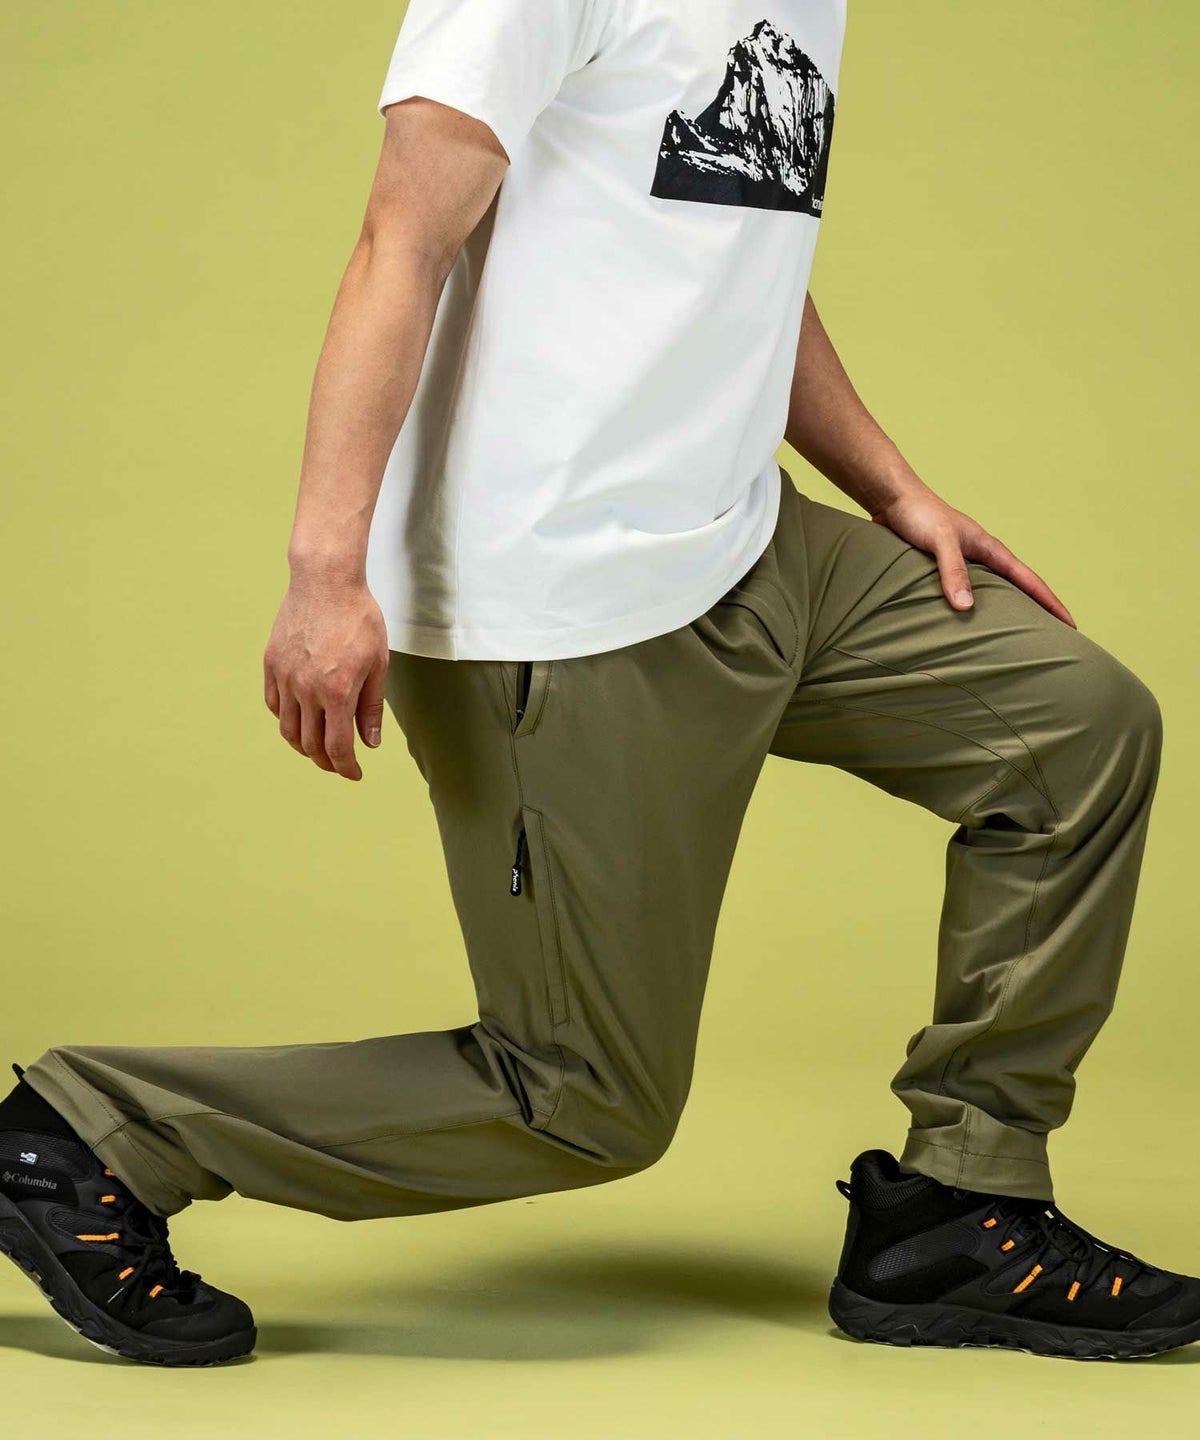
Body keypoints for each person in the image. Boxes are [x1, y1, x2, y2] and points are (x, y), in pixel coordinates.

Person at [2, 0, 1195, 1368]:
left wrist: (892, 487)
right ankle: (94, 1131)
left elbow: (728, 244)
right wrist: (326, 574)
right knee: (582, 1101)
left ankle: (962, 1206)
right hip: (559, 589)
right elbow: (401, 240)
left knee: (1079, 732)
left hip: (752, 544)